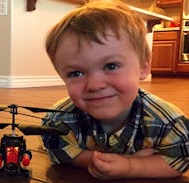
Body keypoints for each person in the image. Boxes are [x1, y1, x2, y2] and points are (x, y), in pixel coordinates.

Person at [41, 0, 189, 180]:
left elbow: (180, 159)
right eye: (76, 73)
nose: (95, 85)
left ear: (143, 67)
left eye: (111, 66)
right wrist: (113, 161)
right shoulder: (59, 120)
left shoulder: (167, 122)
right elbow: (56, 147)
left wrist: (131, 166)